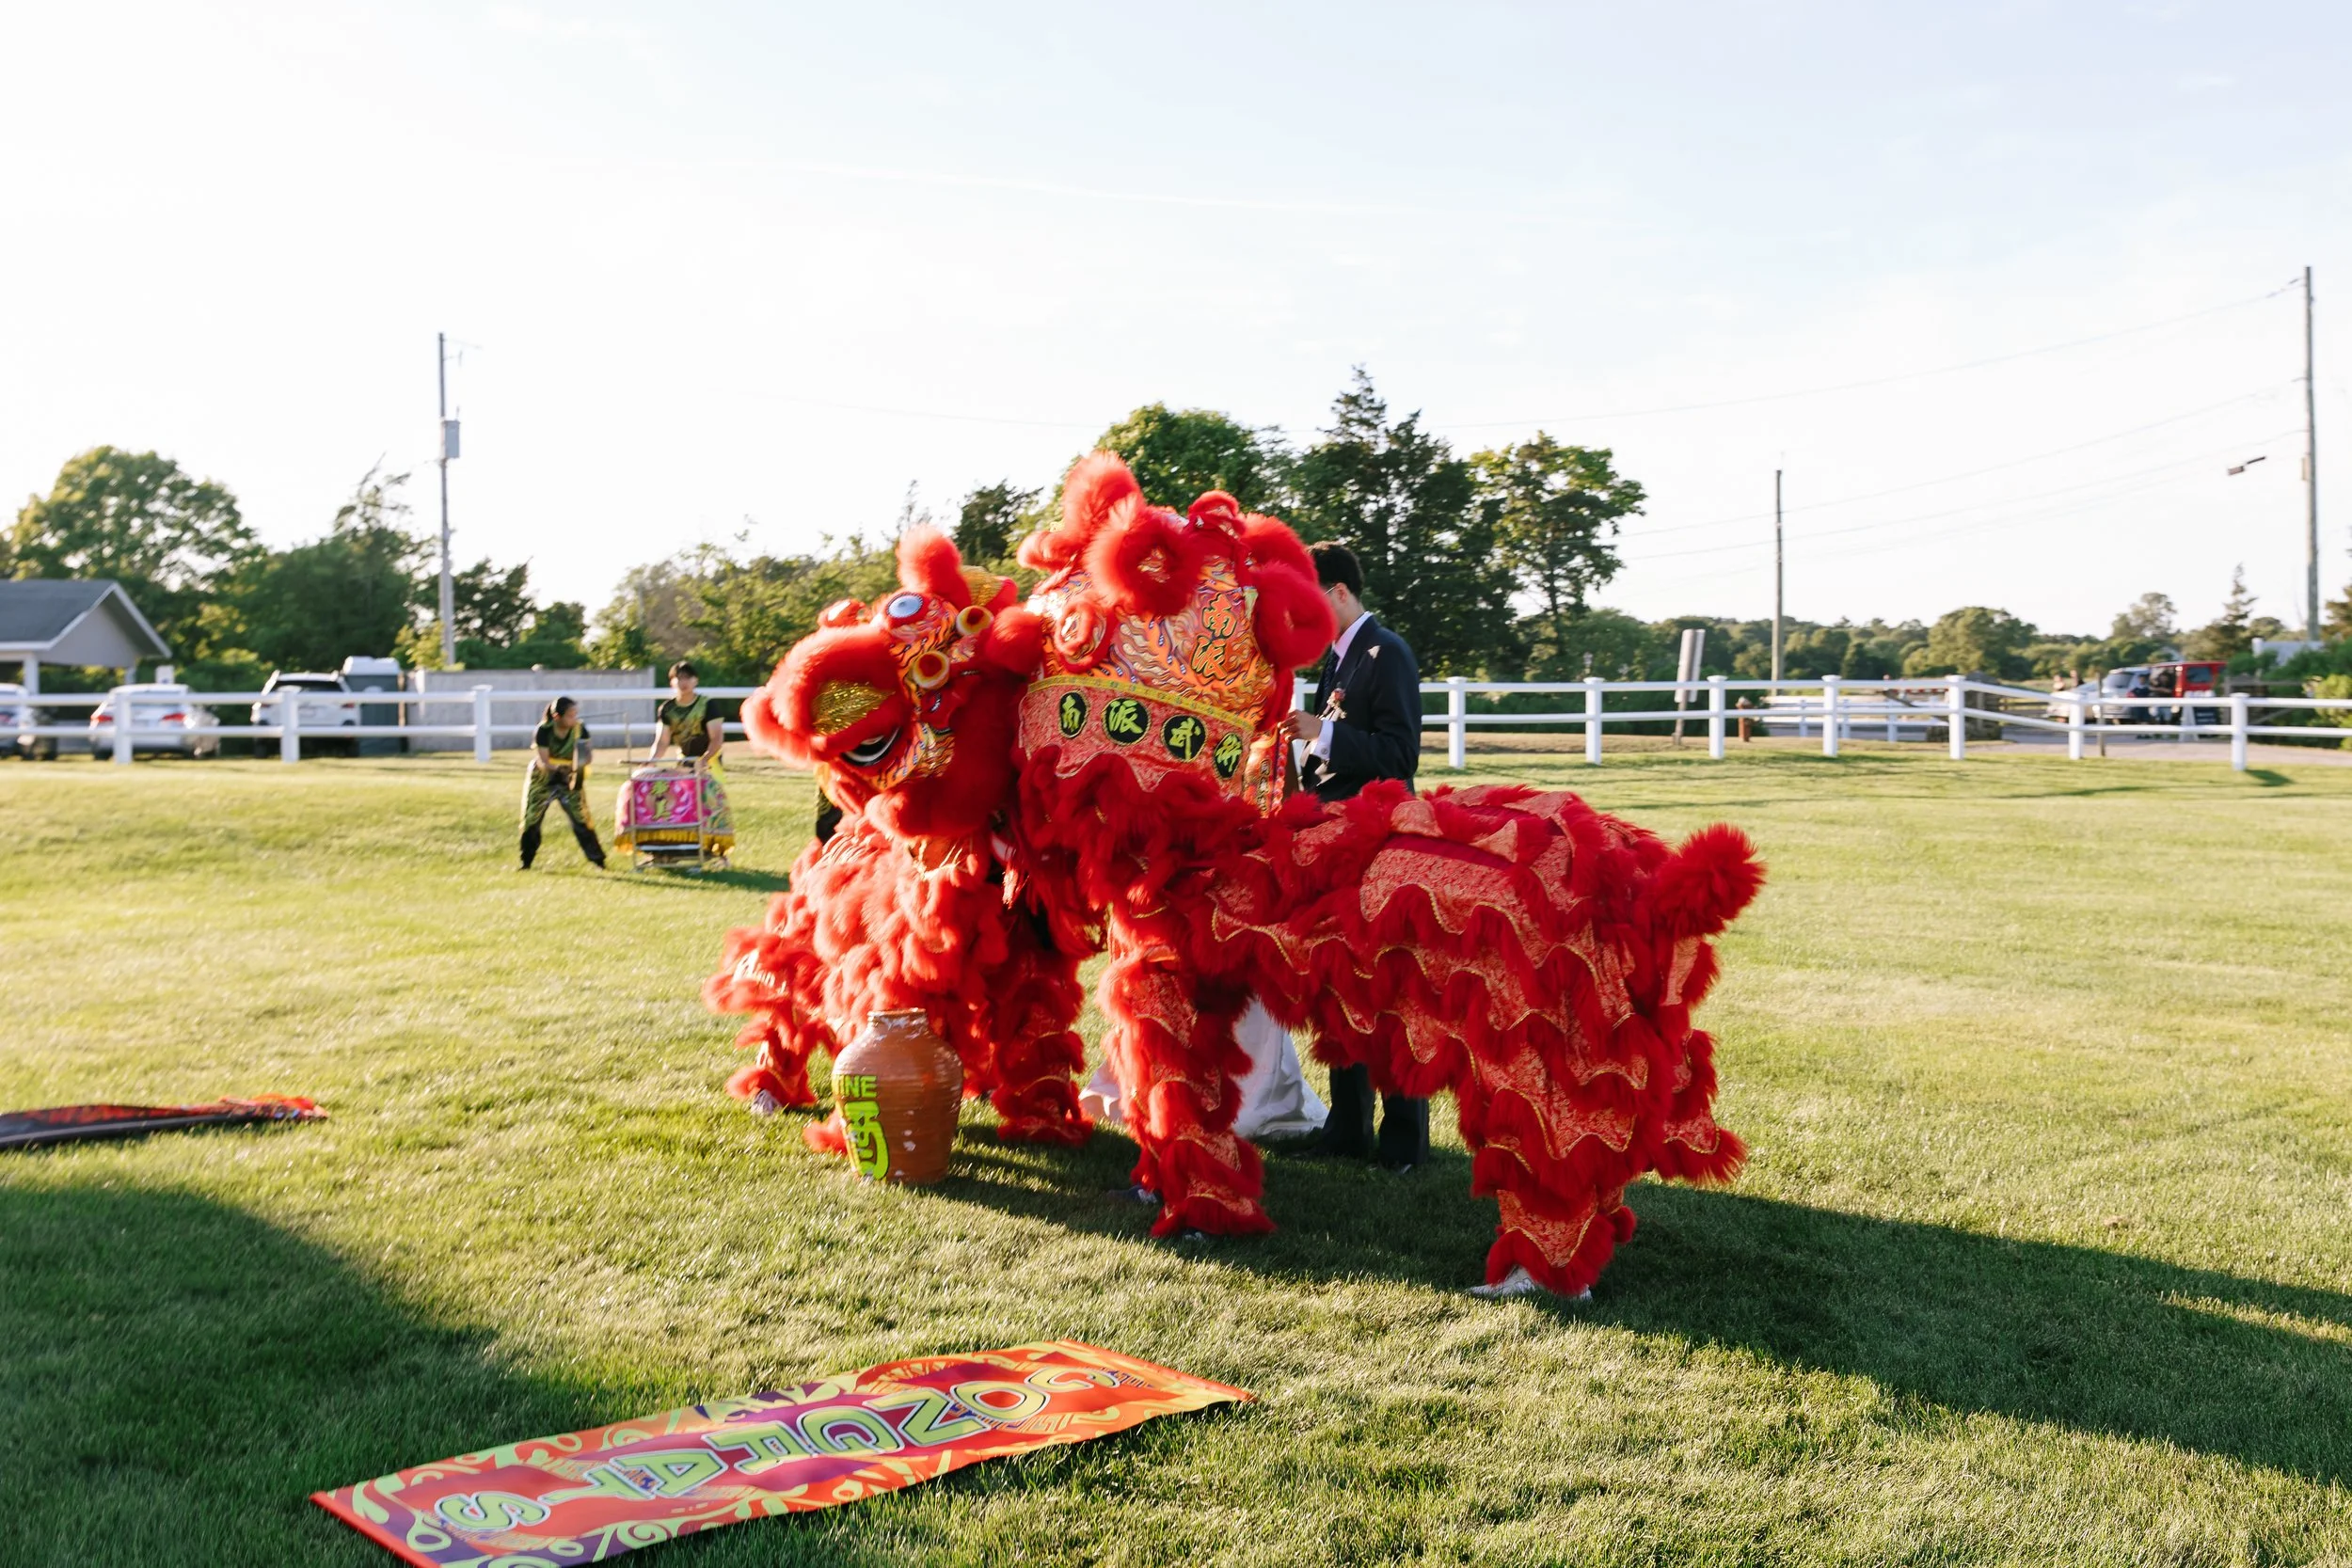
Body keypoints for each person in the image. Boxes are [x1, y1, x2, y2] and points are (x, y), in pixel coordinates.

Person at [1275, 540, 1429, 1172]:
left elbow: (1399, 755)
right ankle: (1347, 1126)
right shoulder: (1340, 661)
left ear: (1338, 591)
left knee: (1389, 992)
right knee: (1341, 988)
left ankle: (1404, 1139)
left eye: (1309, 601)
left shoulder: (1385, 652)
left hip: (1382, 845)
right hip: (1338, 846)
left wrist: (1323, 731)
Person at [647, 660, 736, 856]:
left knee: (711, 804)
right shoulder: (667, 709)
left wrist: (704, 760)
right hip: (685, 761)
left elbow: (716, 738)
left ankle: (717, 850)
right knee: (684, 802)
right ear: (672, 682)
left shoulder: (707, 704)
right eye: (678, 678)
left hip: (709, 760)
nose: (683, 682)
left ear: (695, 680)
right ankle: (687, 848)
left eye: (687, 677)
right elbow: (662, 741)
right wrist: (651, 761)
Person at [519, 697, 606, 870]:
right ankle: (526, 861)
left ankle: (598, 861)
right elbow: (543, 761)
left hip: (570, 778)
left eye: (576, 714)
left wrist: (580, 765)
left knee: (581, 817)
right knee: (531, 818)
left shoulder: (580, 729)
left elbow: (587, 755)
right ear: (557, 716)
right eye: (570, 715)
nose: (575, 719)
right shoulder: (543, 730)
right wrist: (559, 768)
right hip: (543, 778)